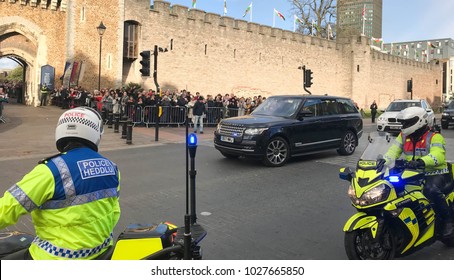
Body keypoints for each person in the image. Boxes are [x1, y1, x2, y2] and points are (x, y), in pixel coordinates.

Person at [0, 107, 121, 259]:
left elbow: (7, 208)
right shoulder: (112, 168)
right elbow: (114, 212)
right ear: (95, 133)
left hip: (54, 258)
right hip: (100, 253)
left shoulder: (52, 170)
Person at [383, 107, 453, 237]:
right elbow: (393, 151)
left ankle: (448, 220)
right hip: (412, 173)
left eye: (407, 123)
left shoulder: (434, 137)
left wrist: (421, 162)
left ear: (419, 121)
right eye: (403, 123)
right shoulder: (403, 136)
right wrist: (383, 160)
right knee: (392, 189)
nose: (404, 126)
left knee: (430, 190)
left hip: (436, 173)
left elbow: (438, 156)